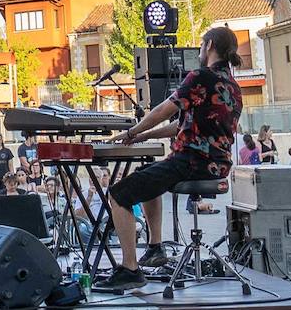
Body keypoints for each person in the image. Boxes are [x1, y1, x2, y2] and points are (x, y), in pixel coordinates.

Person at [95, 26, 243, 292]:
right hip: (215, 164)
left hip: (190, 162)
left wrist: (132, 130)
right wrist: (140, 138)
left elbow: (165, 110)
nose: (199, 49)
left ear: (209, 46)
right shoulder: (231, 85)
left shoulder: (201, 76)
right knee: (151, 174)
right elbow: (181, 126)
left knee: (119, 194)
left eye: (201, 44)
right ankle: (154, 247)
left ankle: (129, 269)